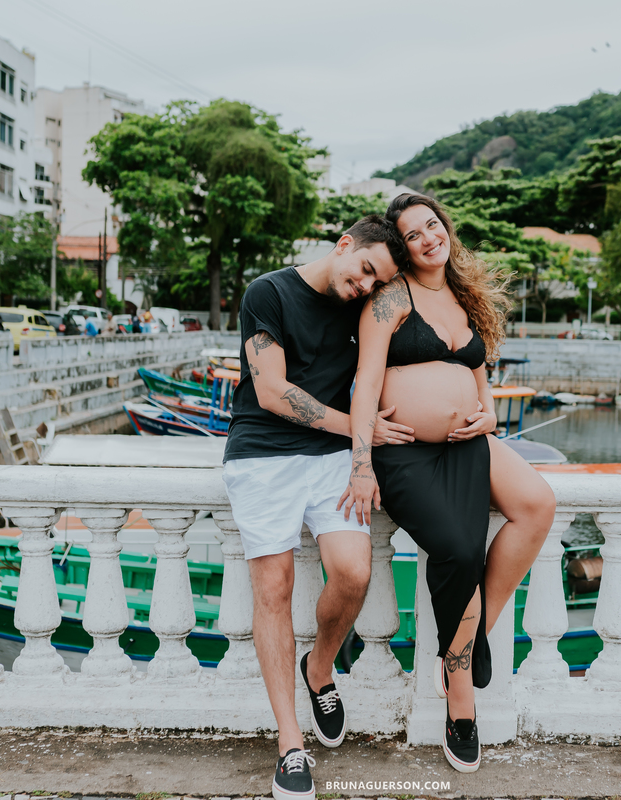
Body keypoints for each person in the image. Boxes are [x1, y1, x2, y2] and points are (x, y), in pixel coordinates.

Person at [342, 194, 556, 774]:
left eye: (432, 225)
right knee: (459, 550)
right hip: (405, 452)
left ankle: (463, 645)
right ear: (402, 246)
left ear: (446, 228)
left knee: (537, 504)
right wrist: (362, 462)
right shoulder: (390, 297)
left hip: (469, 444)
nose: (427, 238)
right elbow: (365, 382)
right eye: (412, 234)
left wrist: (486, 411)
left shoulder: (464, 295)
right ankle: (462, 706)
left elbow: (476, 365)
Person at [223, 215, 411, 800]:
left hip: (332, 457)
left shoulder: (368, 308)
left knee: (354, 573)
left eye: (376, 282)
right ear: (343, 245)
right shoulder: (268, 293)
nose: (364, 287)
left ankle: (320, 668)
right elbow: (272, 392)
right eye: (363, 271)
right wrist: (360, 433)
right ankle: (290, 744)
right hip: (262, 455)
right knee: (273, 589)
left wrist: (359, 453)